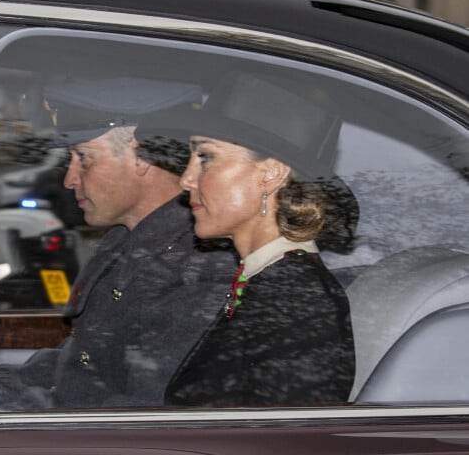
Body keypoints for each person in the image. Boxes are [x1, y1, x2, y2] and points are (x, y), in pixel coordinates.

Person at [0, 77, 236, 409]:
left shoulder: (203, 265)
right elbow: (85, 358)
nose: (70, 179)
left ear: (142, 158)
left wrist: (23, 407)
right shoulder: (125, 241)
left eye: (84, 158)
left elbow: (143, 412)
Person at [137, 71, 355, 407]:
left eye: (206, 157)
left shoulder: (298, 299)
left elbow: (284, 440)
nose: (186, 179)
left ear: (271, 173)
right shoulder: (269, 278)